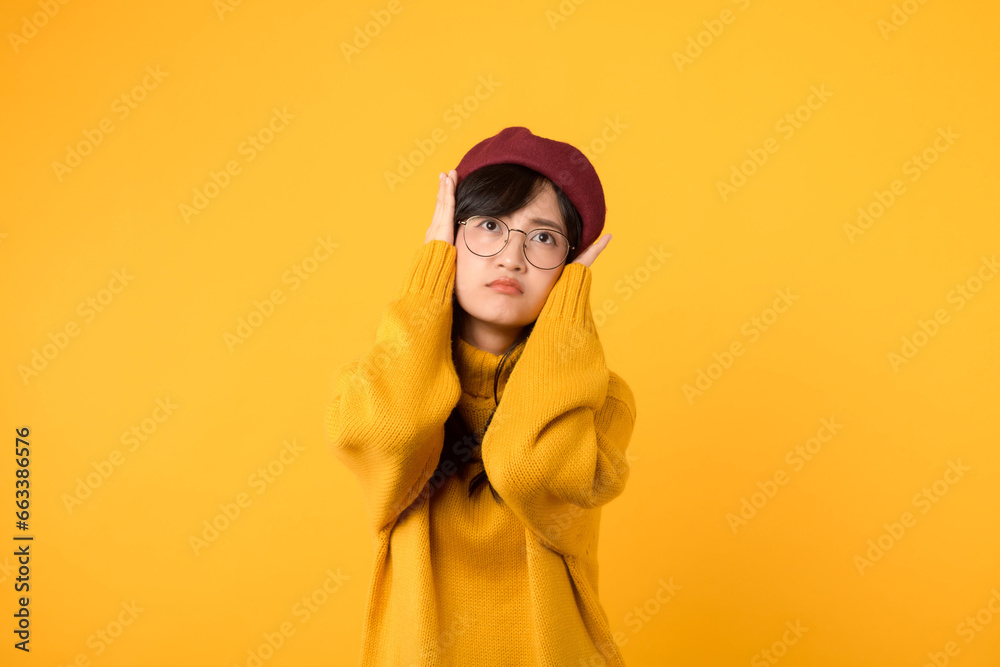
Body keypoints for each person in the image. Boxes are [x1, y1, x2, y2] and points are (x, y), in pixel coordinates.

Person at [325, 126, 637, 666]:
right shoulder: (379, 381)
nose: (512, 258)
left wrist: (567, 320)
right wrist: (431, 272)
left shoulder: (599, 400)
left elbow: (527, 469)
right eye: (489, 227)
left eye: (543, 238)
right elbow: (389, 433)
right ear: (450, 235)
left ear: (568, 270)